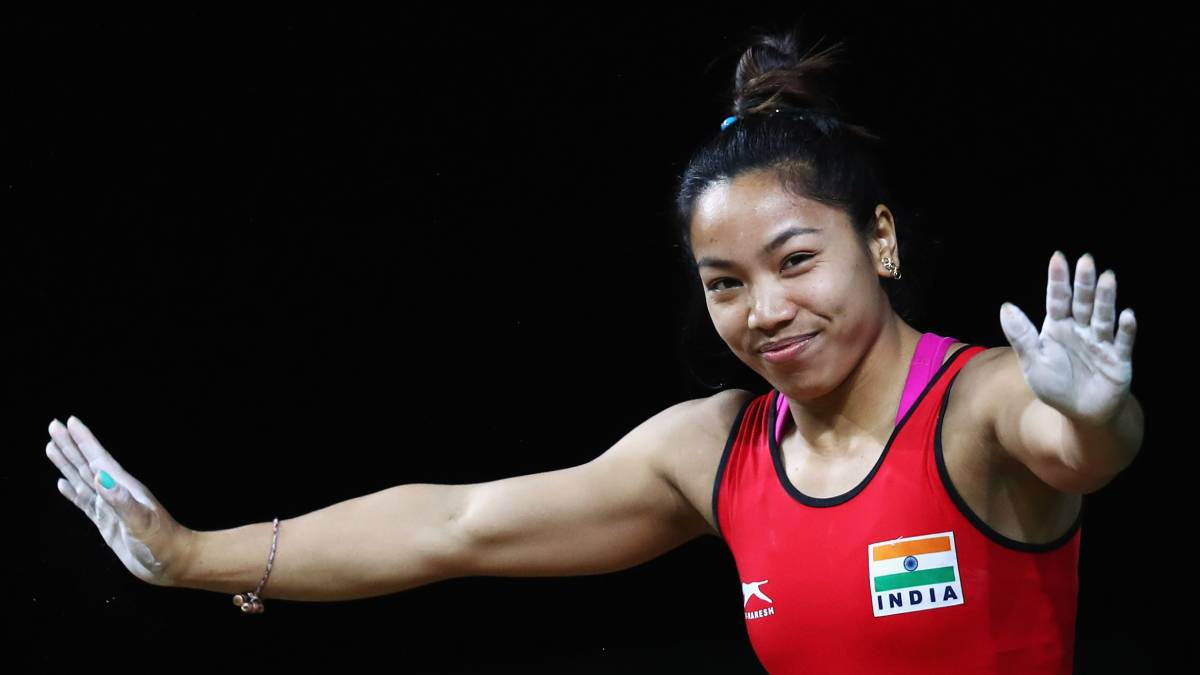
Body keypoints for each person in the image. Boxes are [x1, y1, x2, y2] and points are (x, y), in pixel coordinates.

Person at [44, 27, 1142, 674]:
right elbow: (455, 526)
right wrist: (192, 555)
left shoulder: (985, 402)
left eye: (796, 260)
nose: (765, 309)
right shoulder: (716, 451)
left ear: (881, 240)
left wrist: (1097, 411)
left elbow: (1081, 451)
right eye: (725, 282)